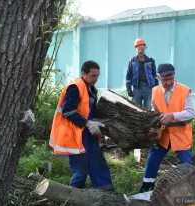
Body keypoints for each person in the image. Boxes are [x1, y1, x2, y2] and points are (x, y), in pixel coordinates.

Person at [49, 60, 113, 190]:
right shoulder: (75, 87)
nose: (96, 78)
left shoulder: (90, 88)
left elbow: (89, 110)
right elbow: (68, 111)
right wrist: (88, 123)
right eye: (93, 75)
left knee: (97, 161)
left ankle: (106, 192)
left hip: (88, 133)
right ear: (84, 73)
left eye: (98, 75)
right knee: (81, 169)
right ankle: (72, 196)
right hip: (75, 134)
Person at [139, 63, 195, 193]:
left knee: (187, 164)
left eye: (171, 78)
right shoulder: (155, 91)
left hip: (180, 135)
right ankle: (147, 188)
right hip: (162, 135)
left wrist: (172, 115)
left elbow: (191, 113)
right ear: (159, 77)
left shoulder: (184, 90)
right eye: (165, 80)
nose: (169, 82)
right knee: (152, 159)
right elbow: (154, 110)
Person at [126, 38, 159, 110]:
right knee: (136, 109)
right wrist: (128, 88)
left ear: (145, 49)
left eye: (142, 49)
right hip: (137, 88)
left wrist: (156, 88)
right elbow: (128, 76)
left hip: (149, 87)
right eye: (139, 49)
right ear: (135, 49)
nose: (140, 51)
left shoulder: (150, 60)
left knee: (149, 109)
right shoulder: (132, 61)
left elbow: (155, 75)